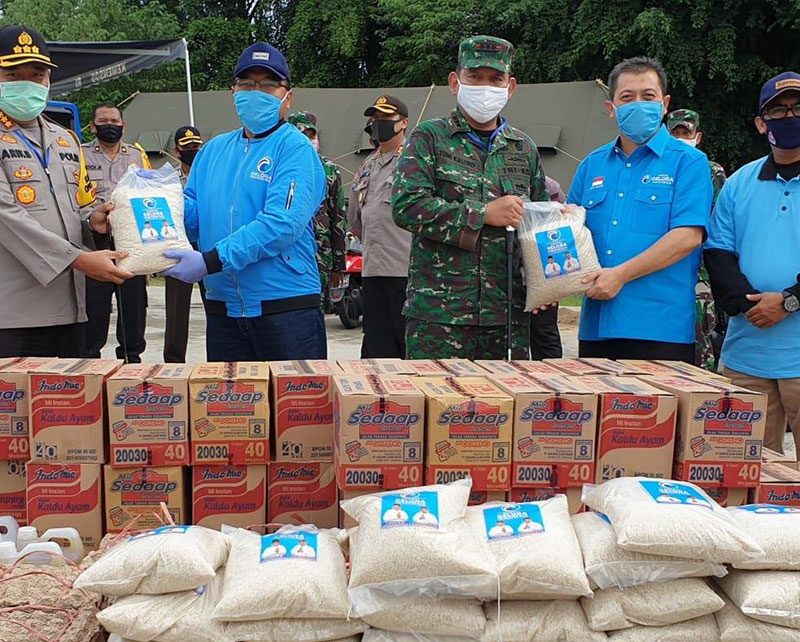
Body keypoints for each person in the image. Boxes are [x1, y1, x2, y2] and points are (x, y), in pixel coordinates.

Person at [163, 42, 327, 362]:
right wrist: (153, 204)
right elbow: (192, 212)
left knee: (294, 396)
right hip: (223, 309)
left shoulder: (295, 149)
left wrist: (211, 260)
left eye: (268, 84)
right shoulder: (213, 150)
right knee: (230, 397)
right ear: (233, 92)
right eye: (247, 84)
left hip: (285, 308)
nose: (257, 92)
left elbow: (281, 225)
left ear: (287, 97)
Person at [393, 36, 549, 359]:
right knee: (437, 394)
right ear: (455, 82)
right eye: (475, 77)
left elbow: (539, 225)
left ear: (510, 87)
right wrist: (481, 214)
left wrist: (548, 277)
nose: (485, 87)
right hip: (439, 317)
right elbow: (406, 205)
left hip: (506, 318)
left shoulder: (523, 148)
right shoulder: (429, 138)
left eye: (496, 79)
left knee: (505, 395)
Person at [566, 56, 712, 362]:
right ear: (611, 108)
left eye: (648, 96)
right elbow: (570, 234)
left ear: (664, 104)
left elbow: (687, 237)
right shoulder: (592, 165)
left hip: (660, 328)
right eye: (627, 97)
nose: (638, 104)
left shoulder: (688, 162)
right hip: (596, 326)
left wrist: (620, 276)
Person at [0, 25, 132, 358]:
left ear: (48, 79)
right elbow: (6, 217)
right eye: (12, 75)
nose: (27, 83)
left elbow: (77, 207)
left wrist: (94, 222)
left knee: (68, 394)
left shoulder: (65, 140)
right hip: (11, 313)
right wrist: (80, 260)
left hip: (70, 309)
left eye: (37, 74)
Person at [705, 71, 800, 459]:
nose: (789, 116)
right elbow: (718, 252)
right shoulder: (739, 183)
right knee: (747, 471)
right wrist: (750, 306)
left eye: (798, 108)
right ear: (762, 123)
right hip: (746, 358)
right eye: (778, 110)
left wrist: (789, 301)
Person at [82, 102, 151, 363]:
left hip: (129, 242)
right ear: (93, 126)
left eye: (115, 121)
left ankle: (132, 360)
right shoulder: (79, 154)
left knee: (133, 307)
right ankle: (90, 363)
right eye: (103, 121)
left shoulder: (136, 155)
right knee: (94, 307)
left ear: (123, 125)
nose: (110, 126)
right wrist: (92, 219)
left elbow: (149, 192)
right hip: (94, 240)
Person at [348, 95, 411, 358]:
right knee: (376, 351)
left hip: (406, 271)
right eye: (374, 119)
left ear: (403, 123)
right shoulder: (367, 166)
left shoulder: (413, 162)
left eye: (385, 118)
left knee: (408, 348)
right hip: (373, 271)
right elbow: (355, 218)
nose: (378, 123)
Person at [666, 108, 728, 371]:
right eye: (675, 132)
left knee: (701, 334)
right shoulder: (659, 170)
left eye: (686, 132)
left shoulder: (711, 171)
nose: (681, 137)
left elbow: (720, 221)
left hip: (700, 267)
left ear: (698, 136)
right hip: (664, 265)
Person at [287, 111, 346, 312]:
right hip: (289, 254)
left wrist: (339, 265)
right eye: (302, 135)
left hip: (321, 254)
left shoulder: (329, 169)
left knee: (316, 310)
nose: (308, 140)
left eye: (311, 135)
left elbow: (338, 217)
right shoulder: (281, 166)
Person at [163, 125, 204, 363]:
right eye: (188, 147)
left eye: (196, 146)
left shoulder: (211, 174)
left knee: (217, 304)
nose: (193, 151)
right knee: (176, 308)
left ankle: (220, 359)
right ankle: (173, 360)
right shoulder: (166, 179)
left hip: (206, 244)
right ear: (176, 151)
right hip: (178, 246)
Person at [530, 176, 566, 360]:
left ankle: (550, 374)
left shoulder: (550, 186)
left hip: (542, 273)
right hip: (505, 273)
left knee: (545, 333)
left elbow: (563, 225)